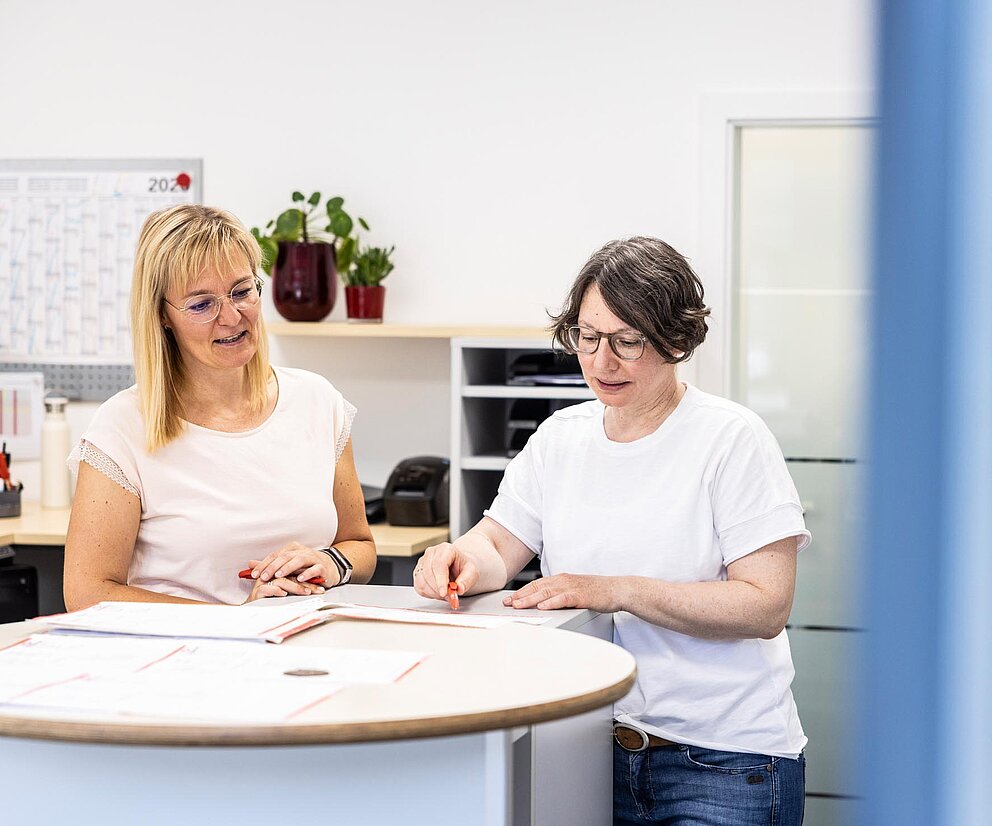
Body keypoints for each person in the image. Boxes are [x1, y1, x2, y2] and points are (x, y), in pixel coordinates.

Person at [414, 237, 809, 825]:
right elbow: (498, 543)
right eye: (589, 337)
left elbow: (765, 604)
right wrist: (460, 558)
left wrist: (616, 590)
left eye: (627, 342)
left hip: (724, 760)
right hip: (589, 745)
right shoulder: (560, 439)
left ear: (677, 339)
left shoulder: (731, 439)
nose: (601, 363)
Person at [63, 205, 375, 608]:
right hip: (187, 658)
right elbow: (87, 593)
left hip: (304, 652)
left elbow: (360, 546)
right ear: (162, 316)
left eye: (242, 292)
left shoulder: (318, 400)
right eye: (201, 305)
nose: (231, 317)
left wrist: (329, 562)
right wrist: (237, 619)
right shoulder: (122, 427)